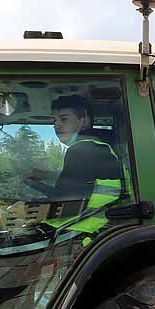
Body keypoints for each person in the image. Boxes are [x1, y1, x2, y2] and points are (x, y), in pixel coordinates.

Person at [21, 95, 123, 233]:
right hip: (97, 228)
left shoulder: (83, 149)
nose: (56, 125)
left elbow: (66, 207)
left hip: (83, 234)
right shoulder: (99, 147)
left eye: (64, 119)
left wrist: (25, 209)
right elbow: (82, 181)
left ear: (84, 120)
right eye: (54, 120)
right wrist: (43, 175)